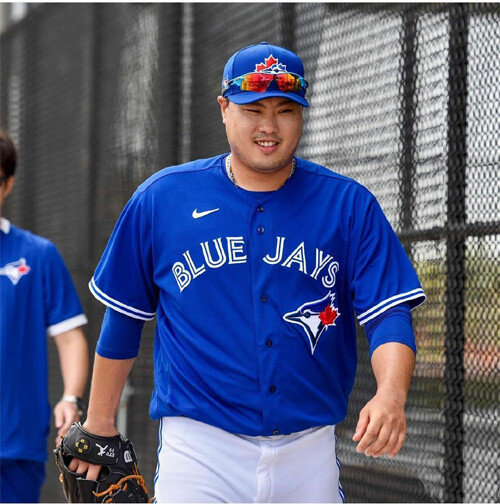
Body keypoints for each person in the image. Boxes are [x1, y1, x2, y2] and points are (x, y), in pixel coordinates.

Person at [71, 42, 425, 502]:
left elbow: (388, 314)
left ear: (302, 113)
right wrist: (99, 425)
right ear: (224, 108)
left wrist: (391, 394)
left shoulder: (349, 205)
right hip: (199, 448)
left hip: (310, 448)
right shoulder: (163, 199)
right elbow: (124, 319)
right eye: (253, 108)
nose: (269, 126)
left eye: (284, 110)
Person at [0, 131, 89, 503]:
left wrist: (70, 397)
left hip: (15, 447)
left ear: (7, 184)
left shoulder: (37, 255)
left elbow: (70, 338)